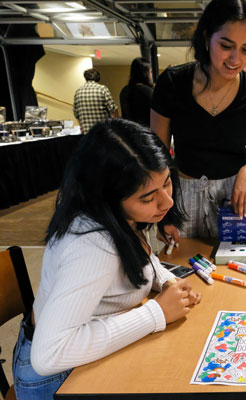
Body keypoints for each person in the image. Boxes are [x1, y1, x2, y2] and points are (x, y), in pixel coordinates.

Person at [12, 119, 201, 400]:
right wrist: (156, 313)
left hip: (81, 356)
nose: (167, 202)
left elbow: (139, 256)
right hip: (58, 378)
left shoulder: (119, 215)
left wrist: (165, 280)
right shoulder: (91, 246)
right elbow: (49, 354)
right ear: (107, 196)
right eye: (148, 197)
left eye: (167, 182)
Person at [151, 0, 246, 239]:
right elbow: (157, 154)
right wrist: (164, 211)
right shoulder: (173, 83)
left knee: (234, 269)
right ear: (207, 39)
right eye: (226, 46)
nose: (236, 59)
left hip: (234, 196)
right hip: (181, 195)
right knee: (182, 269)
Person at [73, 68, 119, 133]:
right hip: (102, 131)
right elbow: (113, 109)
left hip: (87, 134)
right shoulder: (102, 89)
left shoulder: (78, 92)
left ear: (85, 78)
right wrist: (118, 125)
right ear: (98, 78)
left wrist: (82, 127)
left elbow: (76, 113)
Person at [120, 58, 154, 126]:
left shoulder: (124, 91)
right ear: (146, 73)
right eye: (150, 72)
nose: (151, 75)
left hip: (129, 131)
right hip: (146, 132)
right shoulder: (148, 91)